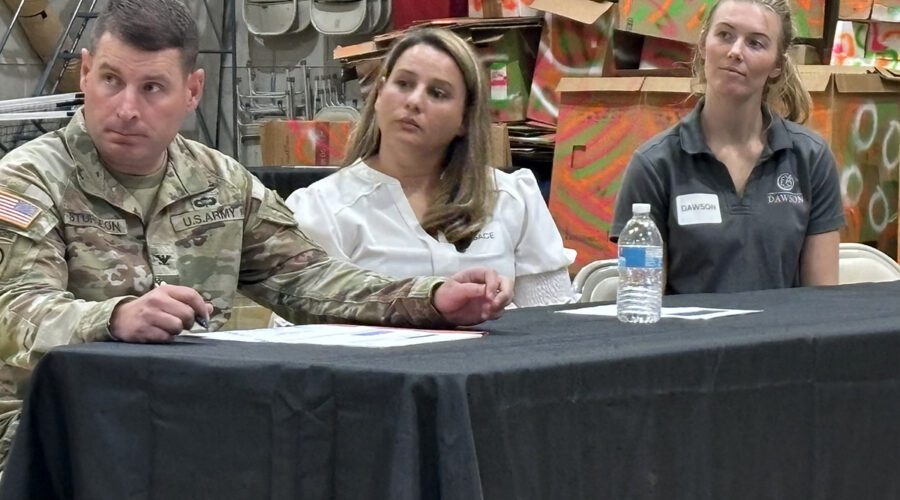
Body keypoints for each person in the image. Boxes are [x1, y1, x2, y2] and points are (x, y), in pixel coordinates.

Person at [0, 0, 513, 470]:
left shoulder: (221, 183)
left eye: (152, 87)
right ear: (85, 73)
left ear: (192, 91)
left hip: (192, 424)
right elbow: (16, 310)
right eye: (111, 80)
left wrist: (433, 298)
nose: (127, 107)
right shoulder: (26, 180)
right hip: (52, 431)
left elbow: (310, 279)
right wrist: (114, 317)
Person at [285, 28, 574, 307]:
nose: (413, 101)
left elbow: (551, 323)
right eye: (404, 84)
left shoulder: (511, 198)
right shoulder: (322, 210)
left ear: (464, 119)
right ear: (380, 94)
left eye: (437, 93)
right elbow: (295, 337)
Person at [610, 0, 844, 294]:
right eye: (725, 35)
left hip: (783, 338)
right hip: (689, 340)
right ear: (703, 44)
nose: (735, 51)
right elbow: (641, 303)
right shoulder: (654, 165)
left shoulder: (811, 158)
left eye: (756, 43)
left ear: (777, 66)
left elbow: (822, 303)